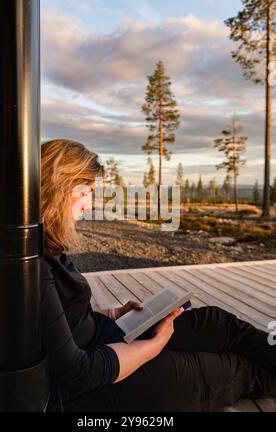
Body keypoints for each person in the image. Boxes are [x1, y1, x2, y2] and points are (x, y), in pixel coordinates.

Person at [40, 139, 276, 412]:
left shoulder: (47, 245)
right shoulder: (33, 265)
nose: (90, 204)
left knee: (218, 322)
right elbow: (76, 371)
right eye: (87, 191)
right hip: (90, 384)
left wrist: (111, 314)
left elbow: (60, 319)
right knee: (237, 371)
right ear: (60, 187)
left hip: (106, 336)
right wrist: (155, 345)